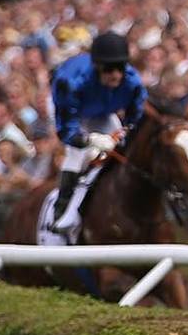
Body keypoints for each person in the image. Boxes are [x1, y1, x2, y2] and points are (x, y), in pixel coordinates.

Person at [47, 31, 149, 235]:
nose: (116, 75)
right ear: (97, 66)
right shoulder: (70, 82)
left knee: (122, 153)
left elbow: (135, 120)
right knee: (77, 156)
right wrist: (89, 140)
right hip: (74, 114)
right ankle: (62, 210)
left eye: (120, 68)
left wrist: (122, 135)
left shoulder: (133, 83)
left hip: (104, 113)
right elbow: (66, 131)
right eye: (110, 69)